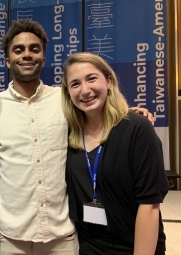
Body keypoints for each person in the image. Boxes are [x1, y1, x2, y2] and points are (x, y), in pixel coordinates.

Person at [0, 20, 154, 254]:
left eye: (34, 49)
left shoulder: (64, 100)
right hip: (10, 238)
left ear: (43, 58)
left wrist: (129, 113)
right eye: (18, 50)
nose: (27, 54)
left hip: (62, 236)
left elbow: (96, 110)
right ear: (8, 60)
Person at [62, 52, 169, 255]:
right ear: (68, 92)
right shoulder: (68, 133)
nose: (85, 90)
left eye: (92, 78)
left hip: (133, 245)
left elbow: (150, 206)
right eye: (75, 84)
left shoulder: (136, 129)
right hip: (87, 247)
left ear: (109, 81)